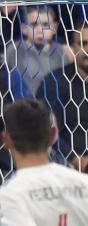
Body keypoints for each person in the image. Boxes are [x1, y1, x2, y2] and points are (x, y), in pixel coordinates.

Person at [39, 22, 88, 172]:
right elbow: (46, 126)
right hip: (65, 166)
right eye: (83, 44)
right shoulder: (54, 81)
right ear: (73, 47)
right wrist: (74, 159)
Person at [4, 5, 71, 97]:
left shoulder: (64, 51)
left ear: (54, 28)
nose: (40, 30)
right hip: (24, 107)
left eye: (45, 25)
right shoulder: (13, 50)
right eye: (34, 25)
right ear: (24, 28)